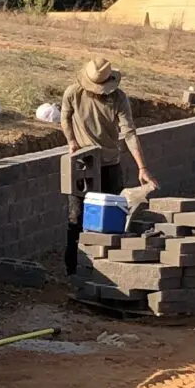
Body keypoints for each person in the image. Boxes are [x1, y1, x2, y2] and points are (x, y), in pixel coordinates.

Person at [58, 57, 159, 272]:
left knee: (112, 216)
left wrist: (142, 167)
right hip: (83, 165)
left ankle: (106, 267)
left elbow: (129, 133)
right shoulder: (74, 93)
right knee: (76, 217)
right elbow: (65, 117)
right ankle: (73, 268)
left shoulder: (118, 98)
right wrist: (72, 142)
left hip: (110, 164)